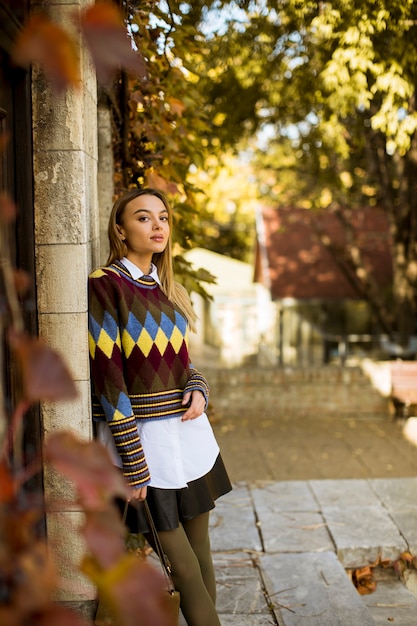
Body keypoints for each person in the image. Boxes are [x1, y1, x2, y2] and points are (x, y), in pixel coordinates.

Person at [88, 188, 232, 626]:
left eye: (163, 218)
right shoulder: (106, 284)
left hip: (187, 437)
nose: (157, 227)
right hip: (144, 443)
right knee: (182, 567)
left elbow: (185, 365)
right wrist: (132, 464)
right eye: (144, 218)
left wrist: (200, 390)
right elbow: (109, 382)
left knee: (203, 557)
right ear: (120, 229)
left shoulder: (170, 288)